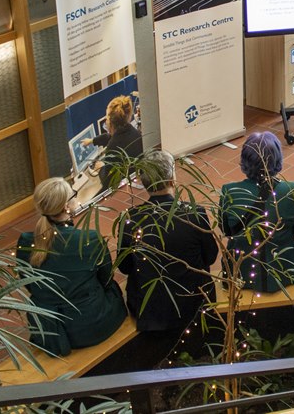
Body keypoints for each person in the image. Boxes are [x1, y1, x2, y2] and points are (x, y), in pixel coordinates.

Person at [15, 177, 127, 357]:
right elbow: (106, 279)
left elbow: (29, 284)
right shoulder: (89, 239)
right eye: (73, 194)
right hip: (91, 325)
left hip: (49, 330)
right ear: (67, 206)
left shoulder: (26, 241)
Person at [118, 150, 218, 333]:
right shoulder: (195, 213)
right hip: (194, 304)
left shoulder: (131, 219)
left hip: (151, 312)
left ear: (145, 183)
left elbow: (124, 267)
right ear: (172, 178)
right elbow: (210, 257)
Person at [220, 132, 294, 293]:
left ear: (245, 160)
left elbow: (226, 230)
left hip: (241, 271)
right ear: (277, 160)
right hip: (285, 270)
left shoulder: (229, 191)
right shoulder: (291, 190)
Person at [84, 95, 144, 191]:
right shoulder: (134, 133)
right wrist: (92, 141)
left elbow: (108, 182)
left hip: (122, 189)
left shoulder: (113, 146)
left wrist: (101, 169)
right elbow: (110, 136)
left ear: (110, 121)